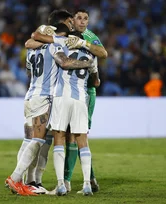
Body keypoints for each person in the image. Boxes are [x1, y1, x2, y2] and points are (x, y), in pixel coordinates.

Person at [5, 13, 94, 196]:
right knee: (40, 141)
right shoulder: (56, 43)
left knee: (29, 139)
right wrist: (87, 64)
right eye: (70, 22)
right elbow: (64, 61)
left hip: (30, 95)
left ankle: (26, 182)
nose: (72, 26)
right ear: (61, 25)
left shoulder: (32, 47)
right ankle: (20, 179)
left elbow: (29, 60)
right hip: (45, 97)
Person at [63, 8, 108, 193]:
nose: (82, 21)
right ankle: (90, 179)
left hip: (86, 92)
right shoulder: (65, 35)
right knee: (70, 135)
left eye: (85, 19)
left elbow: (103, 53)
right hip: (67, 92)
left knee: (77, 135)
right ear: (72, 20)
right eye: (79, 18)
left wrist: (83, 43)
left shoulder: (89, 36)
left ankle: (66, 180)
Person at [50, 31, 98, 196]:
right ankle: (86, 185)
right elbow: (96, 81)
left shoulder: (62, 46)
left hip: (62, 97)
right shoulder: (91, 54)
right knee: (82, 141)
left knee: (59, 138)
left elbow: (62, 63)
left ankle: (61, 185)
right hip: (80, 99)